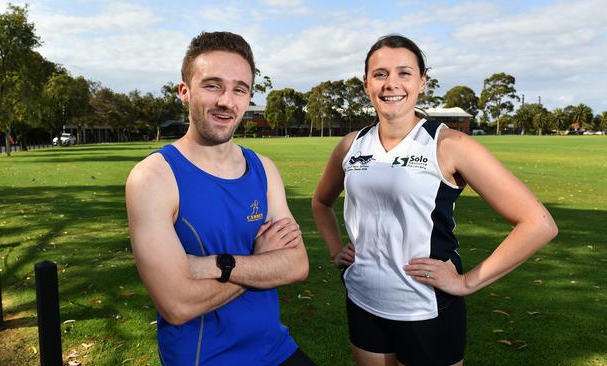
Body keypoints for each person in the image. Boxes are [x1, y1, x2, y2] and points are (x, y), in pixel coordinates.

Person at [311, 34, 558, 366]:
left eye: (404, 73)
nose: (391, 84)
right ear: (366, 83)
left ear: (422, 82)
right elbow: (320, 202)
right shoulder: (350, 145)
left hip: (427, 307)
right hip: (362, 299)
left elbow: (538, 223)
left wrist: (467, 281)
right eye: (380, 74)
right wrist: (334, 249)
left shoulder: (449, 145)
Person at [126, 31, 315, 365]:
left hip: (276, 349)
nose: (227, 101)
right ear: (184, 92)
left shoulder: (263, 169)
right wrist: (262, 262)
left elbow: (297, 264)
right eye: (213, 85)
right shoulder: (153, 178)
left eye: (239, 89)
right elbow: (178, 305)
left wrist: (215, 265)